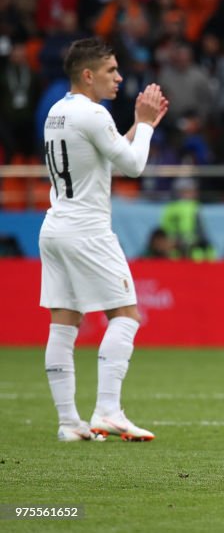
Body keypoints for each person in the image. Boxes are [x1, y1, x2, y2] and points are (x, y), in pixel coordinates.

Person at [39, 37, 168, 442]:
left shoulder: (58, 113)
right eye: (112, 71)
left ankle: (68, 423)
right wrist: (144, 126)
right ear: (88, 74)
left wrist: (137, 126)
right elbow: (131, 166)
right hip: (88, 230)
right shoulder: (93, 114)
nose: (120, 77)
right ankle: (108, 410)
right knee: (126, 317)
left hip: (56, 226)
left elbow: (107, 153)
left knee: (64, 324)